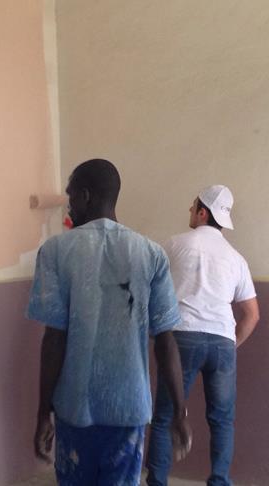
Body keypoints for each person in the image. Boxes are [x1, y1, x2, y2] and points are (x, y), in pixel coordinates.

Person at [27, 159, 192, 485]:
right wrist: (179, 410)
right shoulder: (150, 254)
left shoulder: (55, 251)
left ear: (86, 196)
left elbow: (54, 339)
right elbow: (165, 340)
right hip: (128, 409)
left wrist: (43, 412)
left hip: (73, 407)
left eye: (71, 196)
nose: (69, 205)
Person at [147, 185, 260, 486]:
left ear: (202, 213)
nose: (189, 210)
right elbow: (252, 314)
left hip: (182, 339)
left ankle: (157, 481)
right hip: (222, 342)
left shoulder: (174, 245)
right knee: (222, 421)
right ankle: (220, 480)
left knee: (165, 416)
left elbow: (152, 291)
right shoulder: (236, 258)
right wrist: (230, 345)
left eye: (193, 205)